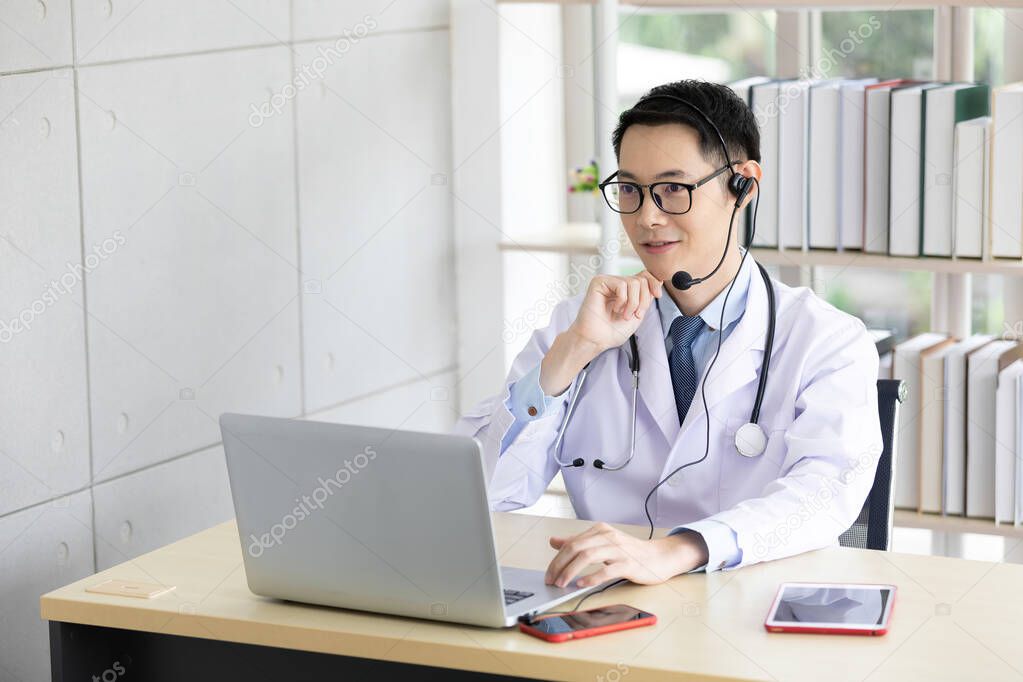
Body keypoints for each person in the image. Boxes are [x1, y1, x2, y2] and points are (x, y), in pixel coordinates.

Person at [452, 79, 882, 590]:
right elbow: (476, 498)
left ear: (742, 185)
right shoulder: (578, 328)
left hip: (756, 606)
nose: (647, 218)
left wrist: (678, 550)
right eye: (630, 190)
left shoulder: (825, 340)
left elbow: (825, 494)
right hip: (606, 604)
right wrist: (572, 354)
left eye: (674, 189)